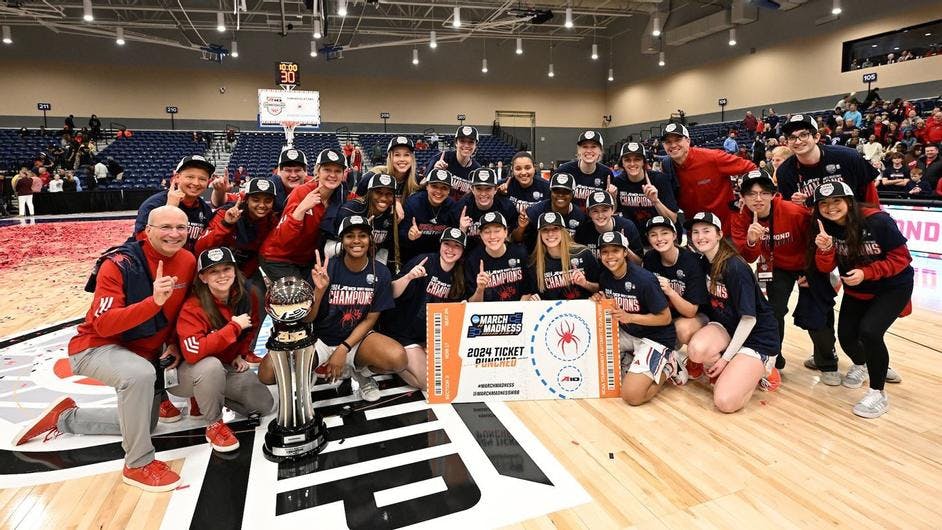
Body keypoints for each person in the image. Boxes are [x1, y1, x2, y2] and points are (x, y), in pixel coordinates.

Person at [14, 206, 196, 492]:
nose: (174, 234)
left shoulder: (187, 260)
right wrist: (153, 302)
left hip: (143, 351)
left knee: (145, 425)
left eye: (181, 228)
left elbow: (179, 312)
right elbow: (104, 325)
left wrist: (172, 341)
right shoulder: (119, 264)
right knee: (138, 376)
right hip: (96, 346)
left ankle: (65, 419)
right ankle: (137, 463)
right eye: (165, 227)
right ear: (147, 231)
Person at [260, 215, 406, 402]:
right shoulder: (326, 269)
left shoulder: (381, 272)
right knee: (268, 373)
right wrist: (319, 291)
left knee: (398, 359)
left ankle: (360, 373)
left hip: (355, 341)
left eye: (362, 235)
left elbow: (370, 319)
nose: (356, 241)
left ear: (370, 239)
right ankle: (310, 368)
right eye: (349, 236)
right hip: (319, 339)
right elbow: (307, 319)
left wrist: (343, 349)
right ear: (341, 241)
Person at [810, 181, 913, 418]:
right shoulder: (823, 227)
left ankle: (878, 394)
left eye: (836, 201)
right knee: (846, 336)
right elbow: (826, 267)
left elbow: (902, 258)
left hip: (892, 286)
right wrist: (825, 250)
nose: (830, 207)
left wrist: (867, 272)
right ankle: (868, 363)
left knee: (870, 332)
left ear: (849, 201)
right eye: (824, 203)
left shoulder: (877, 221)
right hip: (858, 288)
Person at [730, 170, 838, 377]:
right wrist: (753, 241)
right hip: (774, 267)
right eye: (751, 194)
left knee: (817, 313)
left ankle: (827, 361)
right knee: (772, 312)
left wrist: (812, 270)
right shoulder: (740, 219)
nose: (758, 198)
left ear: (772, 194)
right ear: (742, 197)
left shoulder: (794, 212)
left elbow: (817, 239)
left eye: (763, 192)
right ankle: (773, 359)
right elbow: (749, 257)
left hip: (807, 265)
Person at [174, 247, 274, 451]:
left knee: (263, 404)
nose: (222, 276)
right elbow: (193, 353)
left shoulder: (248, 296)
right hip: (188, 372)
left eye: (226, 269)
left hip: (224, 366)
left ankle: (207, 396)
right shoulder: (193, 307)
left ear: (234, 270)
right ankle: (214, 423)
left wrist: (240, 353)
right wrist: (233, 327)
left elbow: (252, 326)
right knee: (209, 365)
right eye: (213, 271)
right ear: (202, 277)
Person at [684, 212, 782, 413]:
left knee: (725, 402)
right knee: (696, 350)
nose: (700, 236)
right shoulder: (703, 262)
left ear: (719, 234)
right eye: (695, 232)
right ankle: (738, 369)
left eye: (706, 231)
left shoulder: (735, 267)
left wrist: (724, 359)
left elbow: (749, 319)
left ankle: (763, 369)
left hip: (756, 336)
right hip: (727, 326)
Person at [591, 230, 683, 406]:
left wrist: (630, 317)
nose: (610, 256)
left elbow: (665, 318)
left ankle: (670, 365)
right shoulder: (605, 277)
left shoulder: (644, 280)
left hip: (656, 338)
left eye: (615, 251)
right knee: (592, 356)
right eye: (605, 252)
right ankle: (632, 357)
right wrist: (598, 297)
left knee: (632, 396)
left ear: (625, 252)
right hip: (629, 334)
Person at [382, 228, 469, 390]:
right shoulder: (424, 261)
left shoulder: (459, 274)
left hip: (428, 337)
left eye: (456, 246)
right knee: (427, 382)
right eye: (447, 244)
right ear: (440, 245)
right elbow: (391, 293)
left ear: (462, 250)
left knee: (450, 375)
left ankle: (405, 359)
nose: (450, 249)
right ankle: (392, 362)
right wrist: (408, 277)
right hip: (403, 333)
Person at [259, 148, 347, 281]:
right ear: (317, 171)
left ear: (343, 174)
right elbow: (284, 237)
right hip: (278, 257)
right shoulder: (301, 192)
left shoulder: (343, 196)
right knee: (300, 296)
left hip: (306, 260)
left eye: (337, 171)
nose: (332, 175)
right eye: (327, 170)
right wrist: (302, 208)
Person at [659, 123, 756, 232]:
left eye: (677, 140)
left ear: (688, 141)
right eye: (668, 142)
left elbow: (751, 168)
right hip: (696, 233)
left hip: (724, 229)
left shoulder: (712, 158)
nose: (673, 145)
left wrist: (745, 197)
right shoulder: (667, 166)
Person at [775, 114, 880, 207]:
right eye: (792, 137)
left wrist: (875, 222)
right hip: (814, 226)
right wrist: (800, 205)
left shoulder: (849, 157)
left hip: (854, 222)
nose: (797, 142)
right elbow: (790, 211)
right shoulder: (784, 172)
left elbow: (871, 197)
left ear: (816, 137)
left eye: (803, 135)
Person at [642, 215, 709, 348]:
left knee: (681, 329)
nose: (659, 239)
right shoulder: (649, 258)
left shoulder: (692, 261)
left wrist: (670, 291)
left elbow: (691, 312)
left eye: (664, 233)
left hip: (697, 315)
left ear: (674, 235)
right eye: (653, 235)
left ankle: (696, 359)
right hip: (667, 315)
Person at [134, 155, 215, 253]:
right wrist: (170, 209)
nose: (196, 183)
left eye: (202, 179)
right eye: (190, 177)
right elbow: (142, 241)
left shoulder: (205, 209)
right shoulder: (154, 204)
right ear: (177, 177)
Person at [523, 211, 599, 301]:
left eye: (555, 228)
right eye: (545, 229)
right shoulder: (535, 263)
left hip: (582, 312)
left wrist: (585, 283)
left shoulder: (583, 253)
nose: (550, 234)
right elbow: (532, 296)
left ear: (563, 231)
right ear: (540, 234)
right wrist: (533, 300)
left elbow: (599, 288)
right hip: (553, 313)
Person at [213, 147, 309, 215]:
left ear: (305, 172)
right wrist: (219, 192)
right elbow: (222, 202)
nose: (293, 175)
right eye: (288, 170)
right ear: (279, 172)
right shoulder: (271, 185)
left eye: (298, 170)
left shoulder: (314, 186)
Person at [611, 142, 679, 235]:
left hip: (660, 237)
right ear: (622, 163)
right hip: (635, 238)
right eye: (627, 160)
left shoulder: (659, 179)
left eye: (637, 159)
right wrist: (612, 198)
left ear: (643, 162)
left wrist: (655, 201)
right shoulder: (618, 182)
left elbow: (673, 219)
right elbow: (614, 213)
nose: (632, 163)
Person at [336, 173, 397, 267]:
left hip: (369, 266)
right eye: (379, 192)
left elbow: (384, 249)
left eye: (389, 194)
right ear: (369, 193)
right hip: (342, 263)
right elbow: (328, 247)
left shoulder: (391, 216)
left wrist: (378, 270)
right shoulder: (350, 210)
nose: (384, 198)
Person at [466, 212, 528, 302]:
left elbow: (528, 291)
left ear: (505, 232)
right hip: (487, 314)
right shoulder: (473, 260)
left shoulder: (519, 253)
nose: (492, 236)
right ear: (481, 235)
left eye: (497, 231)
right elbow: (471, 304)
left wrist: (518, 310)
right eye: (487, 232)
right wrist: (480, 289)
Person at [516, 172, 586, 252]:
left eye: (566, 191)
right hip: (540, 257)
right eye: (556, 190)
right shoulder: (536, 211)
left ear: (572, 194)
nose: (560, 195)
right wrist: (521, 228)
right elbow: (516, 239)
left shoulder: (580, 216)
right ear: (550, 192)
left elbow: (581, 246)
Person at [453, 167, 518, 252]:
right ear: (472, 189)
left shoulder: (507, 207)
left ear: (495, 189)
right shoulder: (461, 208)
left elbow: (513, 238)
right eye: (479, 188)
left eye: (488, 188)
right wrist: (461, 231)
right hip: (469, 255)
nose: (483, 193)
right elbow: (453, 245)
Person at [400, 169, 455, 263]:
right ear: (427, 186)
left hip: (438, 257)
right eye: (434, 186)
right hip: (411, 255)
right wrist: (409, 236)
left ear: (449, 191)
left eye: (444, 188)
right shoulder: (413, 203)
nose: (439, 191)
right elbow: (400, 235)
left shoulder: (452, 206)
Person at [574, 190, 643, 263]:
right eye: (595, 211)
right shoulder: (584, 230)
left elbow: (639, 263)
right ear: (589, 213)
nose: (600, 215)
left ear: (613, 210)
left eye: (605, 210)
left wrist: (625, 247)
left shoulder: (627, 227)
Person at [555, 131, 613, 209]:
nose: (589, 151)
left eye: (593, 146)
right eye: (585, 147)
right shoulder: (563, 171)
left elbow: (612, 209)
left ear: (600, 151)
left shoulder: (606, 173)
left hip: (596, 219)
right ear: (579, 150)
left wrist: (612, 197)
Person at [357, 136, 420, 200]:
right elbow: (357, 204)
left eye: (406, 155)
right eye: (397, 155)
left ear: (412, 158)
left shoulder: (418, 181)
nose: (402, 159)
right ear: (390, 157)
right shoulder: (372, 177)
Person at [430, 126, 482, 200]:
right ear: (456, 143)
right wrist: (434, 172)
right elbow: (422, 185)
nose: (466, 145)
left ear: (475, 145)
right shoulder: (442, 159)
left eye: (471, 142)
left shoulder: (477, 169)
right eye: (462, 141)